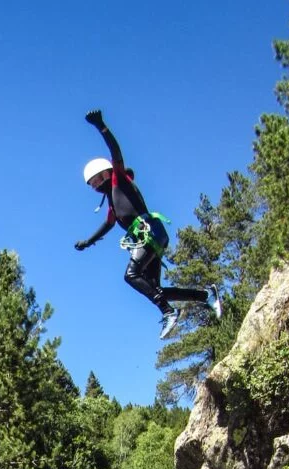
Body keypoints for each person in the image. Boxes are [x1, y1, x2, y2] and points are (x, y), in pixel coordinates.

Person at [75, 109, 221, 340]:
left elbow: (116, 152)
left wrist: (101, 126)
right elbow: (108, 224)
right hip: (149, 237)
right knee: (155, 288)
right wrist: (88, 241)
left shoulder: (118, 180)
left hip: (150, 231)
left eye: (95, 180)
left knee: (131, 275)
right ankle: (206, 296)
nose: (94, 186)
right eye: (91, 184)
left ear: (105, 174)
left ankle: (168, 312)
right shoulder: (112, 203)